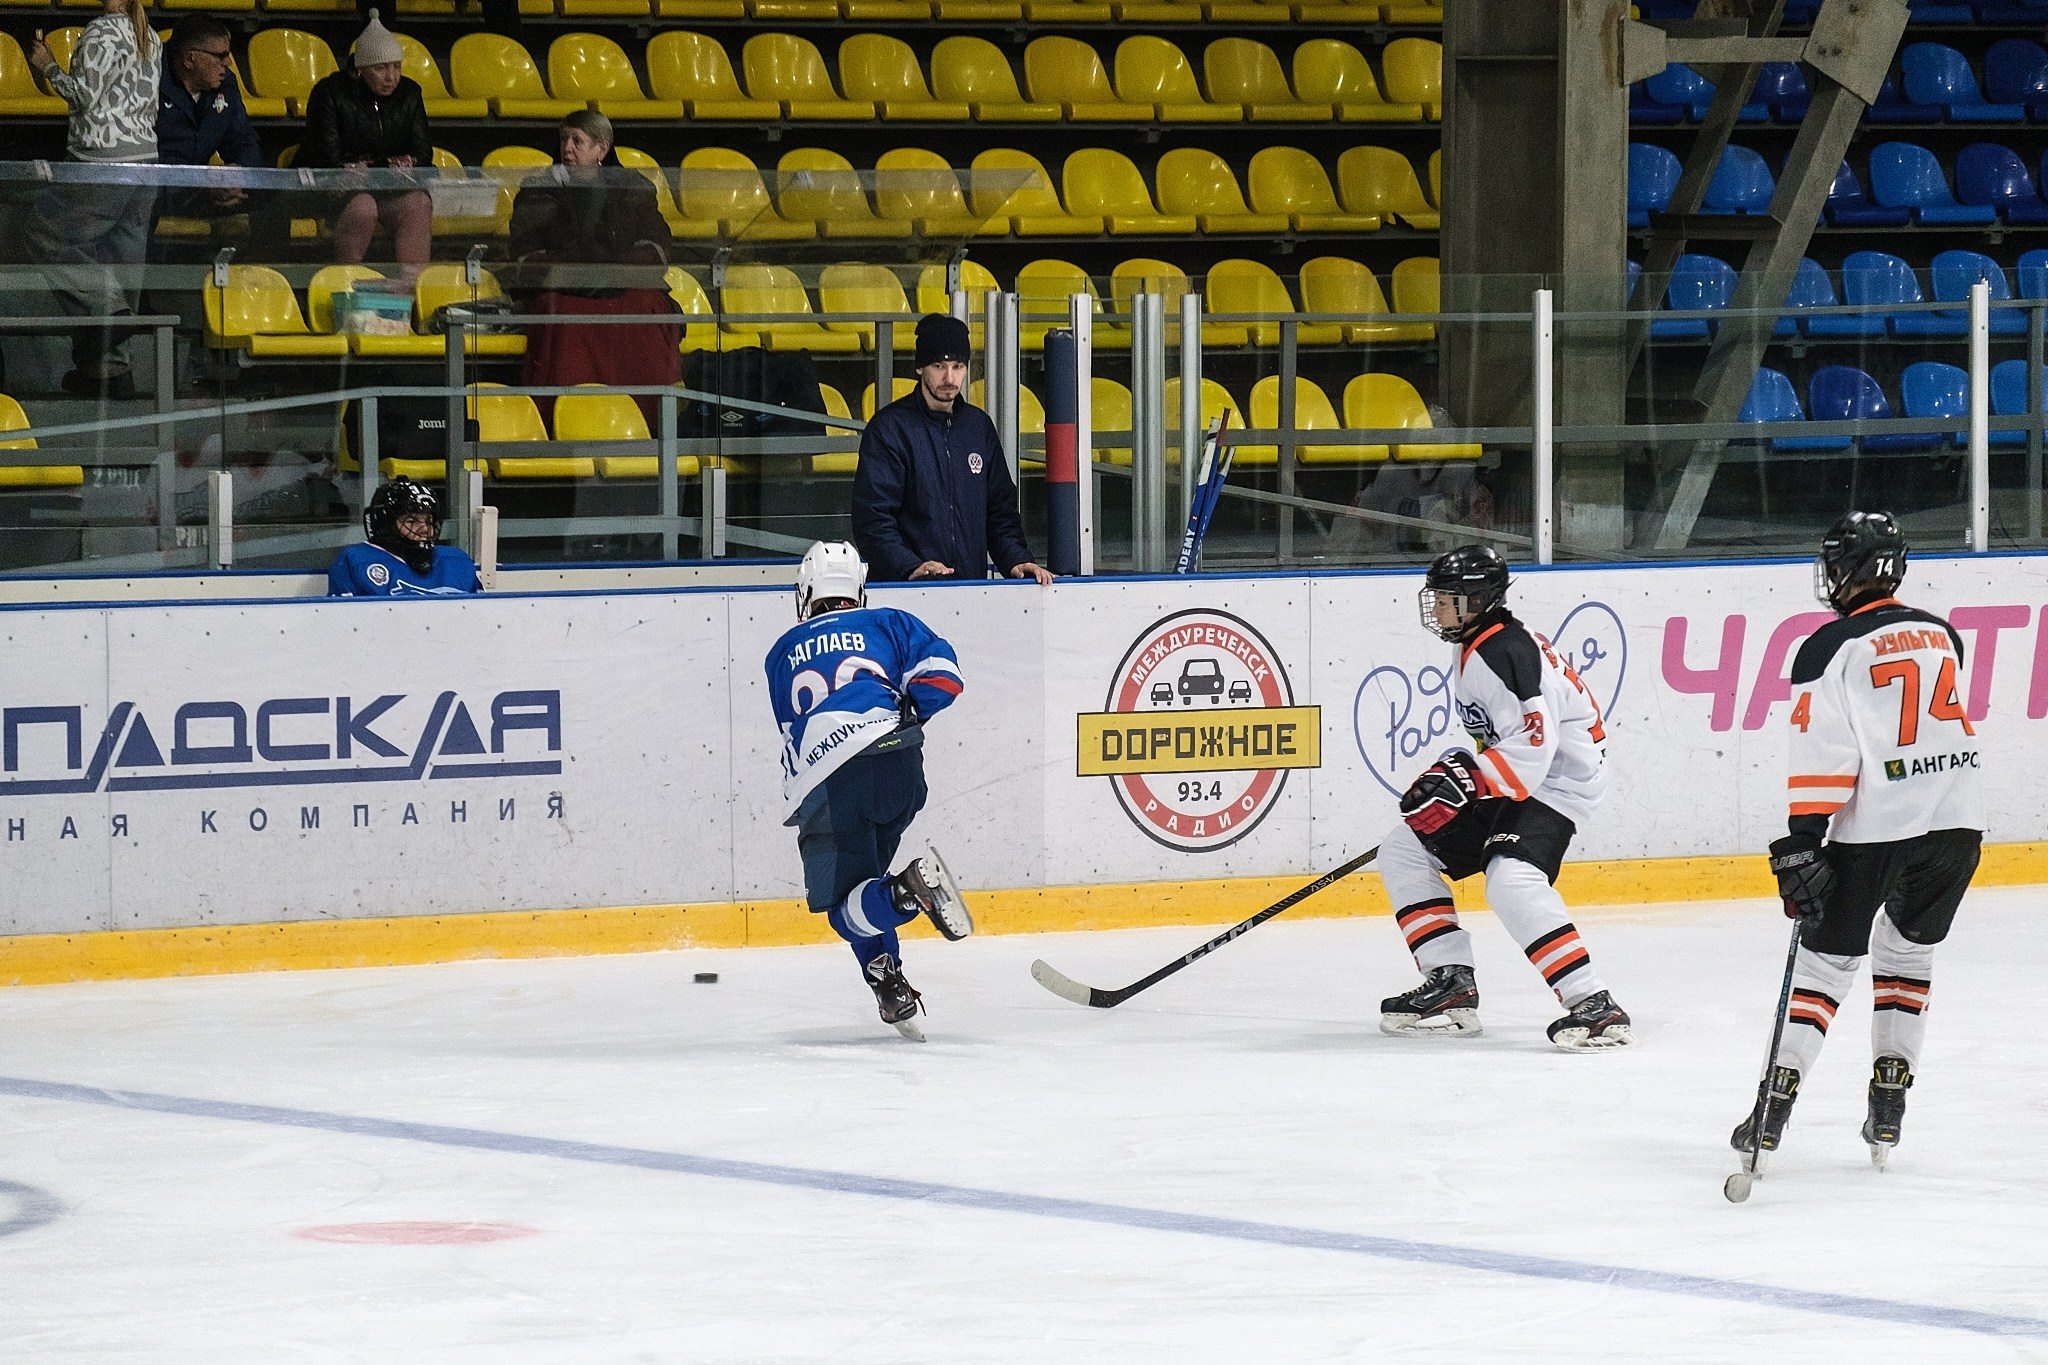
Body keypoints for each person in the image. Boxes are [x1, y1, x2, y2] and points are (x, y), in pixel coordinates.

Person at [1730, 511, 1983, 1172]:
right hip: (1957, 824)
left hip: (1877, 828)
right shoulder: (1942, 633)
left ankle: (1775, 1102)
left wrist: (1803, 840)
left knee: (1824, 968)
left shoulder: (1828, 645)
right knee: (1908, 956)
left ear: (1849, 569)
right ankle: (1890, 1098)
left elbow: (1825, 750)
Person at [1374, 544, 1633, 1051]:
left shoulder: (1502, 652)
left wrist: (1467, 778)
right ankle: (1450, 980)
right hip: (1518, 777)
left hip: (1559, 783)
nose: (1439, 608)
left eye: (1450, 599)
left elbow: (1537, 746)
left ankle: (1593, 1003)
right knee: (1405, 848)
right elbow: (1510, 746)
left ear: (1481, 598)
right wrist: (1468, 778)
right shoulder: (1476, 641)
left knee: (1510, 878)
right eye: (1438, 598)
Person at [763, 540, 975, 1040]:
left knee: (844, 909)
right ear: (858, 590)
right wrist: (911, 710)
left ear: (805, 593)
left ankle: (907, 894)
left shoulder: (779, 655)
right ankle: (889, 980)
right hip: (900, 763)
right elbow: (946, 679)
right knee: (864, 885)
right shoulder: (888, 621)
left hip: (833, 781)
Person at [851, 313, 1053, 586]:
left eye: (958, 366)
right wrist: (910, 566)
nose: (949, 377)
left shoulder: (978, 427)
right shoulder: (889, 429)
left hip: (969, 591)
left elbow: (999, 511)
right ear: (920, 368)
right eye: (938, 365)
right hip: (903, 593)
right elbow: (872, 519)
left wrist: (1016, 558)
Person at [505, 110, 677, 427]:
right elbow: (526, 255)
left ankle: (647, 423)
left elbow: (657, 247)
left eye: (577, 140)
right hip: (565, 291)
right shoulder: (537, 189)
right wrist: (578, 276)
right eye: (563, 139)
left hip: (621, 289)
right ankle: (566, 421)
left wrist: (612, 274)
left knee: (648, 306)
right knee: (561, 313)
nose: (566, 148)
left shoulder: (633, 188)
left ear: (602, 149)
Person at [27, 0, 160, 399]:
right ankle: (109, 371)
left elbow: (82, 96)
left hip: (101, 159)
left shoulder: (101, 31)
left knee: (45, 234)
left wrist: (47, 66)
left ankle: (107, 309)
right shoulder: (149, 33)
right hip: (147, 160)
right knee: (122, 258)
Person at [300, 10, 430, 277]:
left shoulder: (410, 93)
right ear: (360, 69)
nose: (391, 77)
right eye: (381, 68)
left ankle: (412, 290)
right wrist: (390, 163)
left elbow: (422, 152)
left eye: (396, 67)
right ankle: (346, 281)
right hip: (337, 191)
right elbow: (329, 157)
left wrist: (407, 162)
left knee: (418, 202)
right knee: (363, 206)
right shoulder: (330, 93)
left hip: (389, 187)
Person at [153, 15, 274, 248]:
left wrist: (237, 173)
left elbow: (244, 139)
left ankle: (264, 274)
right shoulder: (148, 81)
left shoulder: (225, 83)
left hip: (203, 190)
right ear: (190, 59)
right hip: (157, 192)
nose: (228, 63)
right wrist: (204, 184)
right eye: (221, 56)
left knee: (273, 200)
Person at [328, 476, 481, 596]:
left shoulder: (457, 562)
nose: (424, 529)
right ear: (386, 524)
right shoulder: (356, 562)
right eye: (411, 521)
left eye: (429, 521)